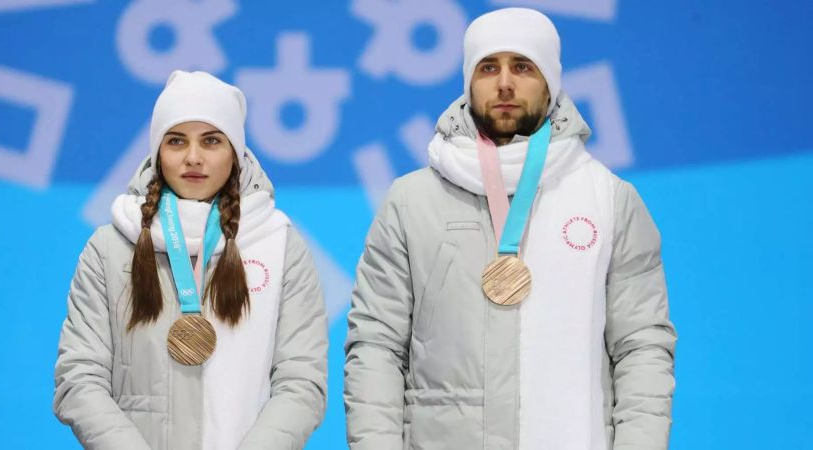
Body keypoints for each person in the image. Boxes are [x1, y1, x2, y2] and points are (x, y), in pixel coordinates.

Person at [344, 8, 676, 450]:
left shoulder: (609, 200)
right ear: (468, 81)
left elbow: (641, 347)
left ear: (550, 81)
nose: (504, 83)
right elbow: (376, 346)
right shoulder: (410, 201)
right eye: (488, 67)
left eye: (522, 66)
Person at [54, 70, 328, 450]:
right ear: (157, 152)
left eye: (212, 141)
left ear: (235, 153)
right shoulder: (110, 247)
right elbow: (79, 379)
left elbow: (301, 383)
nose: (193, 158)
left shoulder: (279, 243)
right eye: (177, 141)